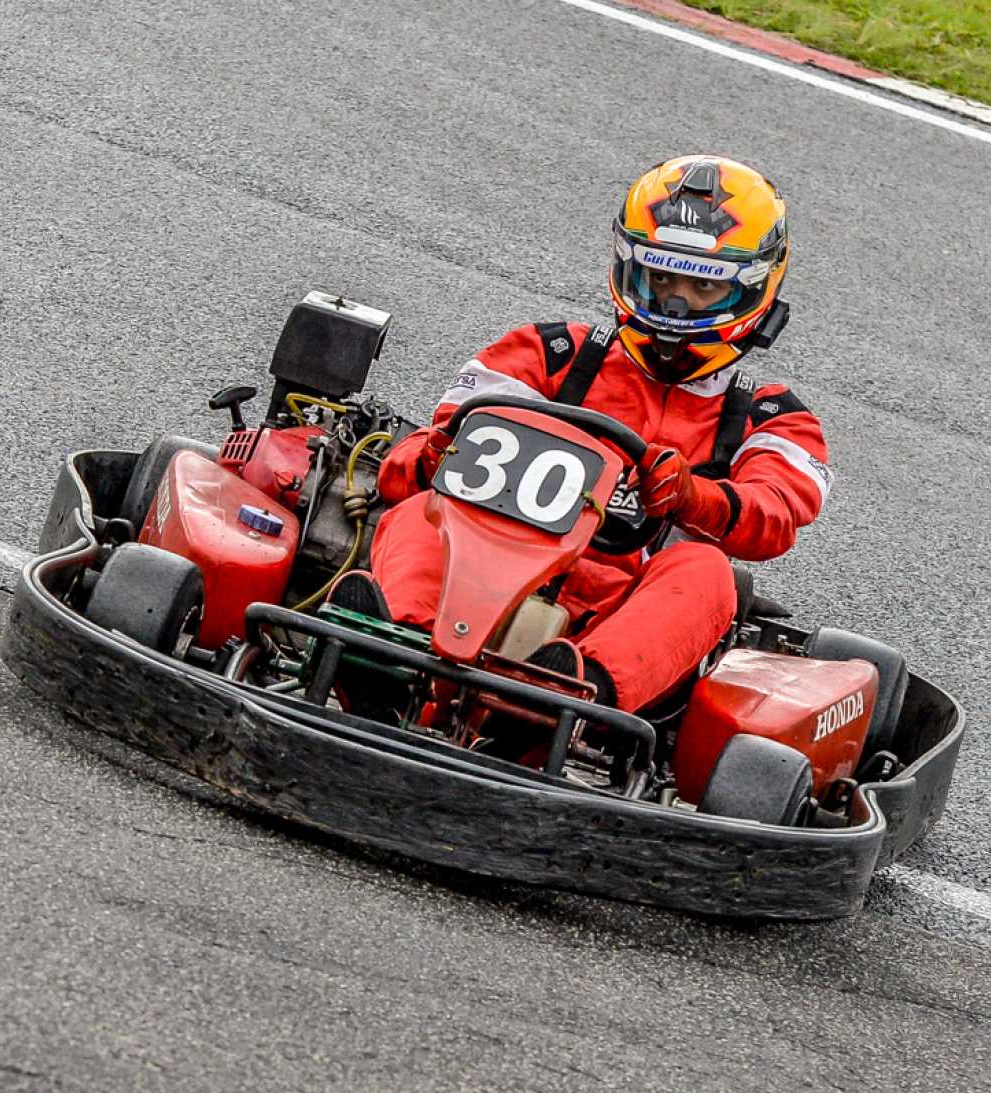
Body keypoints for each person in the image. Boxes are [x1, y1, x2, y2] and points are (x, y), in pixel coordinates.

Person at [335, 154, 832, 715]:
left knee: (708, 572)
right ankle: (392, 659)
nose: (675, 302)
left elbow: (775, 513)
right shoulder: (552, 355)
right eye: (660, 278)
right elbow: (412, 468)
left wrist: (695, 497)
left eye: (702, 286)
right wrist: (429, 457)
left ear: (753, 289)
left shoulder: (769, 417)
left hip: (620, 615)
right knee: (428, 506)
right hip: (480, 578)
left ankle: (557, 706)